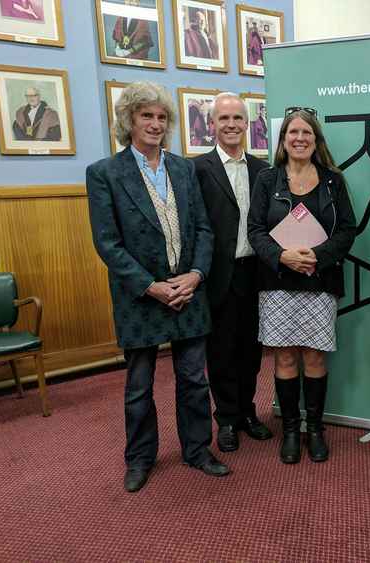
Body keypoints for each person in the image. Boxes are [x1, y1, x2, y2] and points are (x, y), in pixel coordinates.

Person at [86, 81, 229, 493]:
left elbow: (203, 228)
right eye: (146, 115)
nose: (155, 123)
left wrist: (197, 275)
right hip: (140, 298)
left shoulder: (184, 169)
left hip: (187, 292)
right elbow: (107, 244)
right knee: (138, 386)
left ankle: (199, 450)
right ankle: (140, 459)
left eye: (161, 117)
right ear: (128, 120)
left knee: (194, 380)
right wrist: (150, 286)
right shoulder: (104, 174)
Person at [247, 109, 356, 464]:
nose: (299, 138)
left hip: (319, 280)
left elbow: (346, 231)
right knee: (285, 355)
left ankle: (315, 430)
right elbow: (255, 231)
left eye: (306, 133)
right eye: (293, 132)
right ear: (283, 140)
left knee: (314, 355)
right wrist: (282, 257)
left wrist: (317, 257)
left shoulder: (332, 181)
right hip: (278, 283)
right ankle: (291, 430)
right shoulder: (267, 179)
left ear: (316, 139)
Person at [191, 93, 272, 453]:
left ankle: (246, 413)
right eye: (223, 119)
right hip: (218, 275)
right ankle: (224, 418)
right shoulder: (197, 169)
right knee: (221, 351)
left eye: (238, 118)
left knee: (251, 351)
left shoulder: (263, 170)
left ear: (247, 124)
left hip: (255, 272)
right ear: (212, 125)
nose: (231, 125)